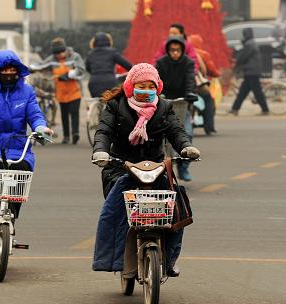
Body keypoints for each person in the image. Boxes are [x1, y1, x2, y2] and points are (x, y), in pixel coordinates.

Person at [91, 63, 200, 277]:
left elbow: (176, 131)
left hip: (156, 168)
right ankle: (112, 259)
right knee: (115, 212)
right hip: (121, 166)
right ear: (131, 86)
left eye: (151, 86)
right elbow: (103, 131)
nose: (147, 90)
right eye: (142, 85)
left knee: (176, 208)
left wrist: (186, 147)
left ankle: (169, 258)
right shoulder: (115, 105)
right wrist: (101, 152)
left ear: (157, 87)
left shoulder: (164, 107)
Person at [0, 50, 53, 233]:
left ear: (19, 71)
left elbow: (35, 115)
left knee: (20, 173)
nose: (8, 73)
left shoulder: (27, 91)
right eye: (4, 70)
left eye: (12, 69)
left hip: (18, 147)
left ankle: (11, 217)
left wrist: (40, 128)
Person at [155, 36, 198, 181]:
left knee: (188, 134)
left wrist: (190, 93)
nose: (175, 53)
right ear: (167, 50)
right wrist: (158, 94)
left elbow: (190, 80)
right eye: (172, 50)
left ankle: (183, 166)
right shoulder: (161, 63)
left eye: (178, 50)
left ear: (182, 50)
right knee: (156, 135)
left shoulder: (188, 63)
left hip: (181, 103)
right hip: (163, 103)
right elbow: (156, 81)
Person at [42, 38, 85, 144]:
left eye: (61, 52)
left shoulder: (75, 56)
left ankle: (75, 134)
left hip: (75, 91)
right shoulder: (51, 59)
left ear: (65, 49)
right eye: (56, 53)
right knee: (64, 114)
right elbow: (42, 65)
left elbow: (81, 69)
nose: (58, 55)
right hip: (60, 92)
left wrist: (68, 75)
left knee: (74, 112)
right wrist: (31, 68)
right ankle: (66, 136)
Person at [228, 28, 269, 116]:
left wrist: (235, 67)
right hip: (250, 71)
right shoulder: (250, 43)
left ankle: (265, 109)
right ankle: (235, 109)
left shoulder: (249, 44)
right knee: (243, 92)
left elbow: (242, 57)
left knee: (257, 92)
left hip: (252, 72)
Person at [189, 34, 221, 135]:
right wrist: (217, 74)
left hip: (183, 85)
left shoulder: (183, 52)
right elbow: (211, 70)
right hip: (197, 85)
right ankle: (209, 126)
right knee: (209, 100)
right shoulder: (202, 54)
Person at [85, 32, 133, 98]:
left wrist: (95, 74)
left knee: (97, 103)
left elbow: (87, 68)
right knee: (114, 103)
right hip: (109, 83)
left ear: (94, 42)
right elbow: (127, 65)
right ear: (109, 41)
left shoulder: (90, 54)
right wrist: (134, 71)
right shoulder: (113, 52)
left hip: (94, 83)